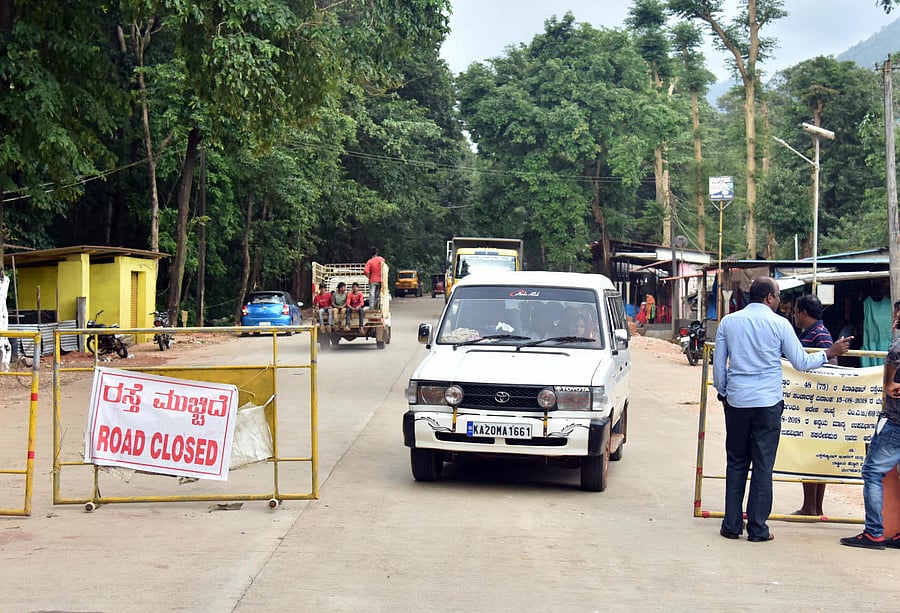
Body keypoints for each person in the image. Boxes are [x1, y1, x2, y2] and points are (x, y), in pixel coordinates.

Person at [713, 277, 852, 543]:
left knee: (736, 463)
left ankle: (731, 525)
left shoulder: (729, 322)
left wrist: (724, 393)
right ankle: (757, 528)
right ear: (768, 298)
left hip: (738, 402)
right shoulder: (780, 324)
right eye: (777, 296)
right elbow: (800, 362)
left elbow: (720, 367)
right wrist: (828, 353)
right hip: (767, 404)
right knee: (763, 466)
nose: (779, 301)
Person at [840, 301, 900, 549]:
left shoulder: (898, 346)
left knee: (872, 472)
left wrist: (889, 382)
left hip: (895, 421)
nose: (894, 316)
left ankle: (874, 531)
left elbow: (892, 385)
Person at [791, 293, 836, 517]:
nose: (794, 315)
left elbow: (832, 362)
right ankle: (813, 506)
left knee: (810, 454)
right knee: (816, 453)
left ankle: (811, 507)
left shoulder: (819, 333)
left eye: (796, 310)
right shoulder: (811, 332)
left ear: (803, 313)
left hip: (815, 402)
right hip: (812, 401)